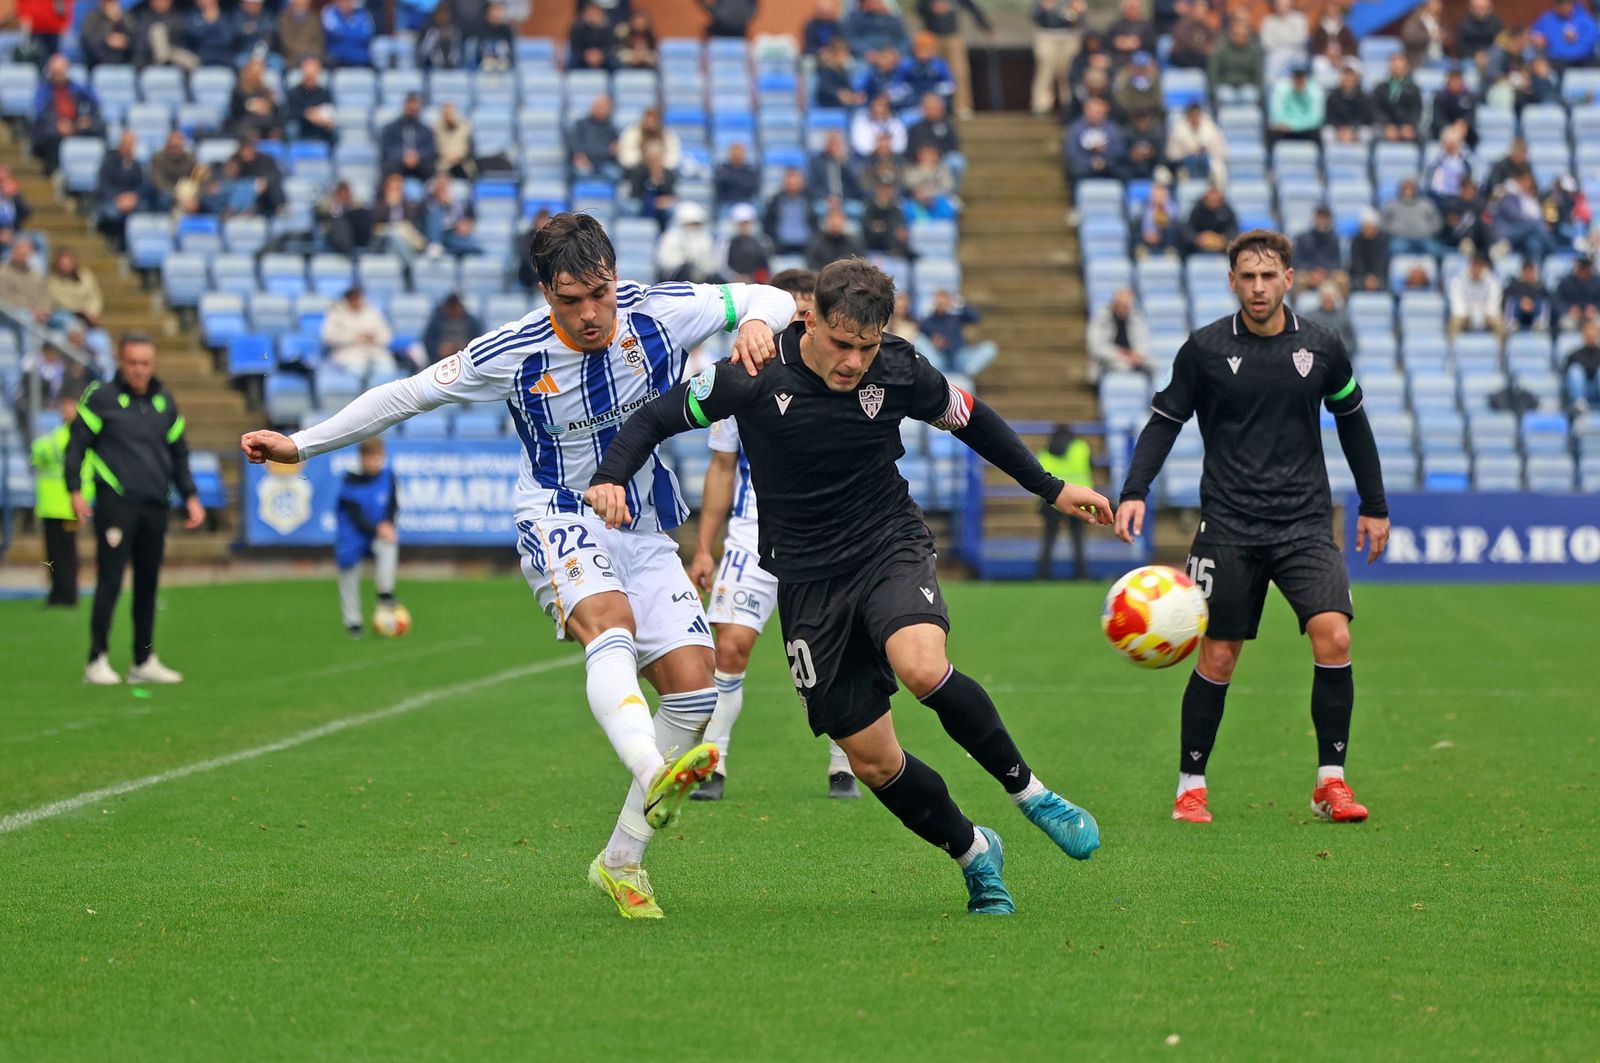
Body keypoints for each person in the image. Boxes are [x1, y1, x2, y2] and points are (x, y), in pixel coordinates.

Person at [241, 212, 798, 921]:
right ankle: (653, 769)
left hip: (646, 523)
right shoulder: (512, 349)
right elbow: (407, 393)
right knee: (610, 628)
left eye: (600, 293)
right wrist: (303, 443)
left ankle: (620, 859)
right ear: (545, 292)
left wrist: (757, 323)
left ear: (616, 277)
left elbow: (769, 298)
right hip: (559, 512)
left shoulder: (660, 312)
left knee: (693, 694)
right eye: (571, 300)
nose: (591, 314)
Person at [587, 257, 1113, 916]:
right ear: (808, 319)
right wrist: (610, 475)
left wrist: (1053, 487)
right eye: (841, 343)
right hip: (808, 579)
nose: (853, 361)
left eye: (867, 346)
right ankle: (975, 851)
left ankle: (1032, 793)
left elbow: (971, 419)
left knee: (922, 665)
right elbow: (654, 419)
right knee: (873, 761)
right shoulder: (749, 374)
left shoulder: (899, 367)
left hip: (887, 543)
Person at [1113, 229, 1389, 826]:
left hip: (1305, 522)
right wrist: (1135, 490)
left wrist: (1374, 504)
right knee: (1218, 654)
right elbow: (1164, 422)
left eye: (1270, 276)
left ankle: (1331, 782)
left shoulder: (1321, 346)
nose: (1259, 287)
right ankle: (1191, 785)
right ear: (1232, 281)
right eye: (1248, 276)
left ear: (1289, 278)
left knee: (1334, 637)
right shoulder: (1205, 349)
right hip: (1228, 525)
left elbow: (1354, 424)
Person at [685, 269, 857, 801]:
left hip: (828, 537)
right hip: (752, 536)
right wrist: (703, 548)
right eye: (792, 312)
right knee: (730, 647)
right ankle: (714, 762)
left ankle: (842, 762)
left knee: (840, 653)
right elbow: (721, 467)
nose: (801, 321)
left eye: (810, 312)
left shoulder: (845, 376)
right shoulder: (746, 376)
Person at [67, 334, 206, 685]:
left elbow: (179, 452)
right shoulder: (102, 398)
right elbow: (77, 445)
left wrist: (190, 495)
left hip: (156, 504)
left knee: (148, 583)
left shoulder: (164, 401)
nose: (140, 370)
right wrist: (74, 489)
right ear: (120, 361)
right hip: (117, 503)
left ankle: (143, 660)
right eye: (133, 363)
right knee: (110, 581)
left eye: (146, 363)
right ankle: (96, 659)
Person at [336, 437, 403, 638]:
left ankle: (385, 593)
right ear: (362, 459)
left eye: (379, 458)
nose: (375, 463)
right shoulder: (350, 479)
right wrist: (378, 529)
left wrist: (388, 524)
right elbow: (355, 516)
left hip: (377, 529)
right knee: (348, 574)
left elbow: (393, 504)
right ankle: (353, 623)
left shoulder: (388, 475)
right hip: (352, 533)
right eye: (371, 459)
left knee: (389, 543)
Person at [31, 393, 93, 607]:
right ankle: (57, 593)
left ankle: (67, 594)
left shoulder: (76, 437)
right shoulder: (58, 435)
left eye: (70, 405)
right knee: (53, 552)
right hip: (51, 504)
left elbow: (42, 452)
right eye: (63, 405)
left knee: (66, 551)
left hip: (69, 505)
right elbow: (37, 454)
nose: (65, 410)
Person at [1035, 423, 1093, 580]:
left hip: (1052, 498)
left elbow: (1038, 475)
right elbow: (1090, 467)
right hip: (1078, 498)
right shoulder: (1081, 448)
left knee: (1049, 539)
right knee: (1078, 538)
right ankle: (1081, 575)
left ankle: (1042, 575)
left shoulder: (1045, 451)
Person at [917, 0, 991, 118]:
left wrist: (986, 26)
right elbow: (918, 8)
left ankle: (962, 107)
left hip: (953, 36)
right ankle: (932, 108)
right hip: (931, 37)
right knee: (931, 74)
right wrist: (931, 8)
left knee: (959, 73)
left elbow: (971, 7)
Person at [30, 55, 102, 176]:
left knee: (98, 128)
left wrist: (87, 117)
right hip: (53, 126)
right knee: (51, 133)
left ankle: (94, 170)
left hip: (75, 123)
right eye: (56, 72)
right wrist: (57, 123)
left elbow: (94, 101)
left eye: (61, 71)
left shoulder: (75, 87)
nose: (59, 75)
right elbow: (40, 111)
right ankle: (52, 170)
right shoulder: (44, 89)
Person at [1086, 287, 1151, 381]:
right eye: (1121, 305)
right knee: (1121, 366)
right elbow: (1095, 347)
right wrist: (1120, 354)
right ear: (1114, 304)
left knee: (1153, 366)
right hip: (1108, 361)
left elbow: (1144, 342)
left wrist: (1137, 355)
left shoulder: (1137, 318)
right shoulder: (1100, 318)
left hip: (1133, 360)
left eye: (1127, 306)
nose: (1124, 309)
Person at [1165, 101, 1227, 183]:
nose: (1195, 118)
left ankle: (1215, 194)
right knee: (1180, 172)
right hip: (1184, 163)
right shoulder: (1178, 130)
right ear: (1188, 116)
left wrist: (1204, 150)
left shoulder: (1211, 129)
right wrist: (1189, 151)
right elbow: (1171, 154)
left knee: (1218, 169)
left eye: (1197, 115)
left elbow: (1221, 151)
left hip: (1207, 162)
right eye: (1192, 115)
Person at [381, 94, 438, 181]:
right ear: (404, 106)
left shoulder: (426, 130)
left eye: (414, 109)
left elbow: (430, 150)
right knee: (389, 167)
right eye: (410, 108)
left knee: (432, 169)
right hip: (398, 164)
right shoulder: (391, 128)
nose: (412, 111)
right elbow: (387, 149)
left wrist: (417, 156)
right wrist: (403, 156)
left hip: (420, 166)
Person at [1531, 0, 1598, 70]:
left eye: (1567, 4)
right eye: (1561, 4)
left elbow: (1594, 37)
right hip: (1556, 62)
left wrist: (1579, 37)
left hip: (1583, 61)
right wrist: (1537, 39)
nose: (1564, 7)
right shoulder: (1546, 19)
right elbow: (1534, 34)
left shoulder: (1584, 18)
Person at [421, 292, 484, 365]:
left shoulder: (471, 322)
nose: (453, 311)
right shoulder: (436, 320)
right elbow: (427, 341)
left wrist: (464, 349)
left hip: (465, 362)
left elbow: (478, 342)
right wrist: (438, 349)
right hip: (440, 362)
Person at [1268, 65, 1325, 144]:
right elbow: (1276, 113)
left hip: (1305, 129)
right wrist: (1284, 124)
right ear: (1292, 79)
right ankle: (1269, 156)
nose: (1299, 82)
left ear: (1306, 80)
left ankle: (1321, 156)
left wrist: (1294, 126)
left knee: (1318, 134)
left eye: (1301, 79)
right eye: (1296, 79)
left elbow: (1317, 118)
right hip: (1287, 129)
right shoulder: (1281, 89)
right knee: (1271, 132)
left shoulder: (1315, 91)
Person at [1371, 53, 1422, 142]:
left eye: (1400, 67)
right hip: (1385, 125)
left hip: (1407, 125)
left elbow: (1416, 109)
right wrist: (1387, 125)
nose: (1396, 69)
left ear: (1406, 68)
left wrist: (1409, 125)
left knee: (1418, 136)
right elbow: (1376, 109)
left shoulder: (1413, 88)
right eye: (1394, 66)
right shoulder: (1380, 87)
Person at [1209, 17, 1263, 100]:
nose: (1239, 38)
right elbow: (1213, 71)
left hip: (1246, 84)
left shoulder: (1254, 50)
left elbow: (1258, 73)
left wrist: (1260, 91)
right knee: (1226, 96)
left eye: (1243, 35)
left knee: (1250, 95)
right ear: (1231, 34)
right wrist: (1213, 91)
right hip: (1225, 84)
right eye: (1236, 34)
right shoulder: (1221, 48)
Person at [1448, 255, 1504, 335]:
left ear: (1484, 267)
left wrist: (1483, 316)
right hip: (1465, 314)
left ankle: (1502, 347)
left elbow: (1493, 304)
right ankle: (1451, 347)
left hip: (1486, 314)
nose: (1477, 269)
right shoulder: (1458, 281)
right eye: (1475, 266)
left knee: (1500, 324)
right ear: (1470, 266)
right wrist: (1466, 315)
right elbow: (1457, 303)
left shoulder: (1493, 281)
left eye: (1480, 266)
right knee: (1454, 323)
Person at [287, 57, 337, 145]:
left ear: (318, 73)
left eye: (312, 74)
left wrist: (323, 119)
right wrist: (307, 114)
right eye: (307, 75)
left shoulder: (325, 92)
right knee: (292, 128)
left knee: (334, 130)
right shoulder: (293, 92)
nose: (310, 77)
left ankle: (330, 156)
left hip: (320, 126)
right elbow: (290, 113)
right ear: (302, 73)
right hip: (301, 125)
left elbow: (329, 110)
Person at [763, 168, 813, 255]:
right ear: (784, 183)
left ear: (801, 183)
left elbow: (814, 222)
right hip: (780, 245)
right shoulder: (775, 201)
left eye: (795, 181)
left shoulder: (809, 199)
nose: (792, 184)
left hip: (806, 245)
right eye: (789, 181)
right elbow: (767, 223)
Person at [805, 204, 864, 270]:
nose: (835, 222)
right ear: (826, 221)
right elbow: (811, 264)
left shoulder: (854, 242)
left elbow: (860, 265)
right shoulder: (816, 242)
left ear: (844, 221)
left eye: (839, 218)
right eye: (832, 218)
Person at [322, 0, 376, 68]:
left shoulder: (363, 14)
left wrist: (345, 32)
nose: (346, 4)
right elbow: (334, 33)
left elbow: (366, 36)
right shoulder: (329, 12)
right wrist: (353, 31)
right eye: (343, 1)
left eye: (349, 1)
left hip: (361, 58)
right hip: (337, 58)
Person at [276, 0, 327, 69]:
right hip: (291, 60)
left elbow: (318, 42)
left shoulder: (315, 19)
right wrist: (303, 56)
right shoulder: (283, 18)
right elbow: (286, 42)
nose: (300, 2)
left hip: (312, 60)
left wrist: (311, 57)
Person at [1503, 259, 1551, 331]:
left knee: (1543, 302)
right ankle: (1511, 323)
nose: (1528, 273)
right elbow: (1505, 297)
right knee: (1512, 301)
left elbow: (1550, 299)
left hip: (1534, 311)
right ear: (1522, 272)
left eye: (1530, 271)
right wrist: (1522, 300)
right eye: (1526, 271)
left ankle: (1540, 323)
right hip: (1518, 312)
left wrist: (1531, 302)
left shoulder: (1540, 286)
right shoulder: (1514, 285)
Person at [1564, 319, 1600, 412]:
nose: (1591, 335)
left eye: (1594, 333)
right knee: (1575, 371)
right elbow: (1565, 372)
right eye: (1588, 333)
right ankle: (1579, 403)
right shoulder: (1574, 354)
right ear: (1583, 335)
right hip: (1579, 390)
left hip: (1597, 389)